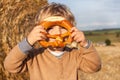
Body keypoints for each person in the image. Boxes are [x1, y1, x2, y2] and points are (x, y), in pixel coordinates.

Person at [4, 2, 101, 80]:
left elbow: (95, 66)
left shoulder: (74, 55)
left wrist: (85, 44)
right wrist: (28, 41)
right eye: (50, 28)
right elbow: (10, 66)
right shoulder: (34, 57)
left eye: (62, 27)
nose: (57, 32)